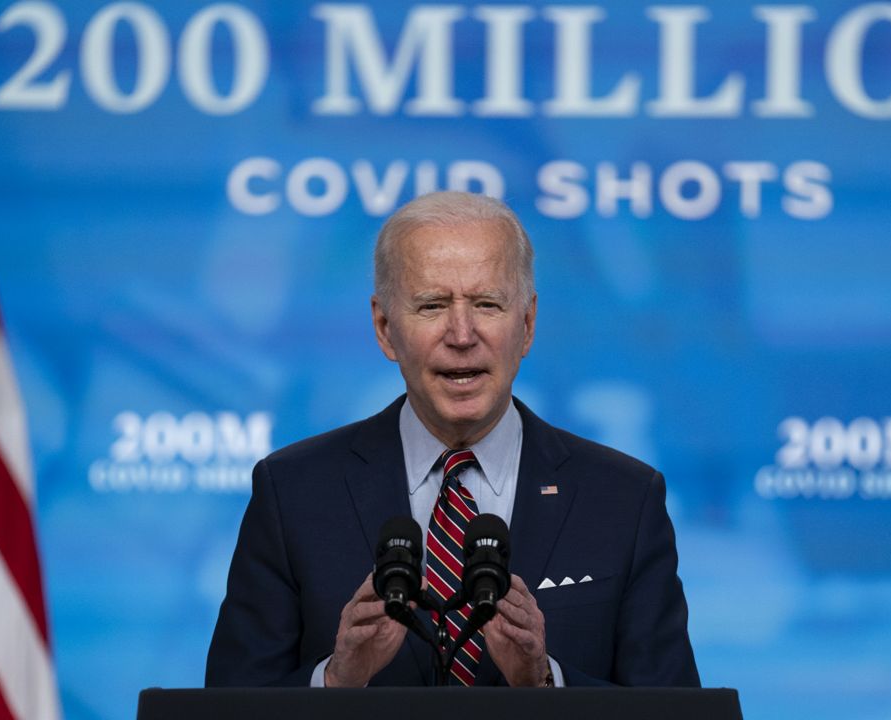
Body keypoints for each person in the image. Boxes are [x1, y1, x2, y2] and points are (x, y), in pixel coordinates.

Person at [205, 191, 699, 688]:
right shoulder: (293, 492)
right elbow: (222, 714)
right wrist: (335, 683)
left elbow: (678, 719)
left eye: (487, 304)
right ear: (384, 328)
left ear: (526, 325)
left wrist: (544, 685)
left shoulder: (623, 499)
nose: (462, 334)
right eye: (432, 305)